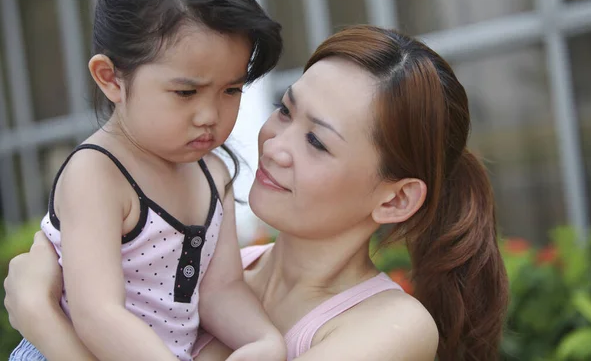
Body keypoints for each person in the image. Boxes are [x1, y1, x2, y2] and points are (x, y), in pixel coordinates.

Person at [5, 25, 509, 361]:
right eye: (286, 111)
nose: (274, 144)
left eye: (316, 141)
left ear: (396, 199)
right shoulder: (220, 267)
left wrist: (39, 316)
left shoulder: (393, 328)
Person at [6, 0, 287, 360]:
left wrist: (263, 341)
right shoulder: (97, 174)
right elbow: (97, 313)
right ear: (111, 78)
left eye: (230, 90)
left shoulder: (214, 172)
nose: (210, 114)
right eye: (186, 93)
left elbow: (220, 289)